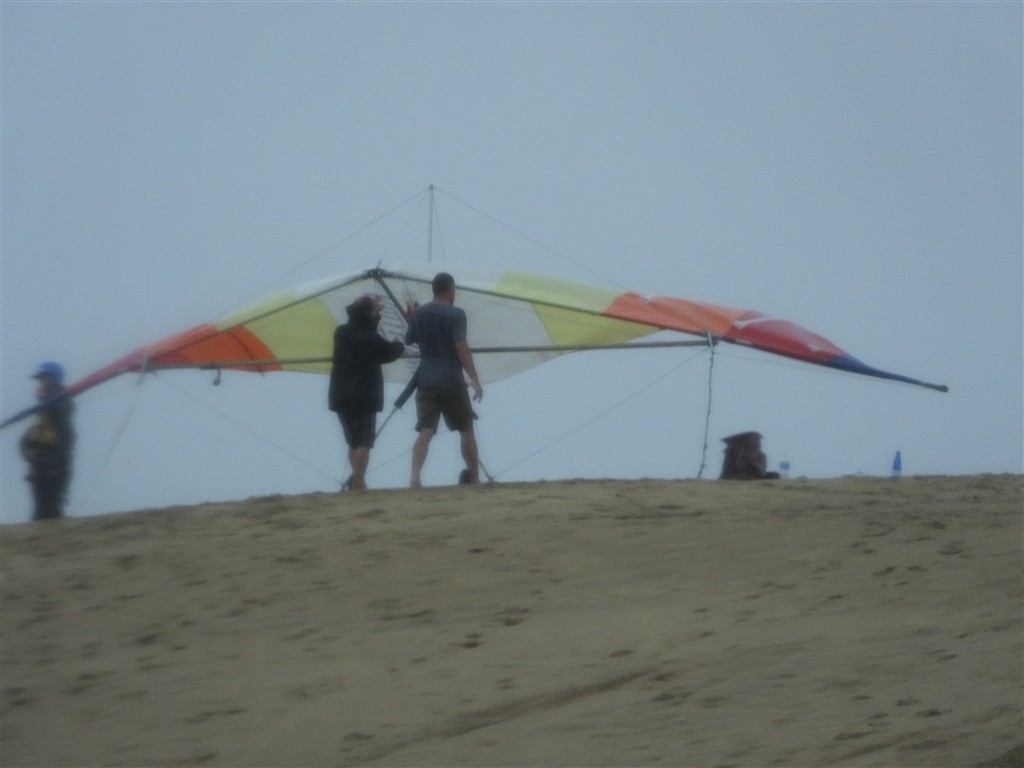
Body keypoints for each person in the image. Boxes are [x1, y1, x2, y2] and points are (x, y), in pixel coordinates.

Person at [404, 272, 483, 488]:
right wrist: (474, 379)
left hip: (427, 380)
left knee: (426, 431)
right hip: (452, 380)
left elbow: (409, 339)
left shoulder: (419, 313)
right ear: (450, 290)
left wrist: (412, 319)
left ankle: (414, 478)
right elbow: (461, 346)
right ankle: (475, 479)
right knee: (466, 431)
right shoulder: (456, 314)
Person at [329, 296, 406, 490]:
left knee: (353, 443)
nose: (376, 316)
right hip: (364, 397)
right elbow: (388, 352)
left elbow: (366, 330)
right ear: (366, 314)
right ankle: (358, 482)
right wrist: (399, 345)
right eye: (374, 313)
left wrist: (373, 312)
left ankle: (359, 481)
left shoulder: (341, 332)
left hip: (341, 395)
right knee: (363, 443)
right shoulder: (370, 338)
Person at [20, 362, 75, 520]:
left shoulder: (60, 407)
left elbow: (65, 438)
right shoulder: (44, 409)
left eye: (43, 379)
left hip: (52, 466)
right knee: (40, 509)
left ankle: (57, 534)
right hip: (39, 465)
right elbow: (32, 434)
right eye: (40, 380)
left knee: (50, 508)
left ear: (53, 379)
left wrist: (55, 466)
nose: (41, 383)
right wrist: (26, 450)